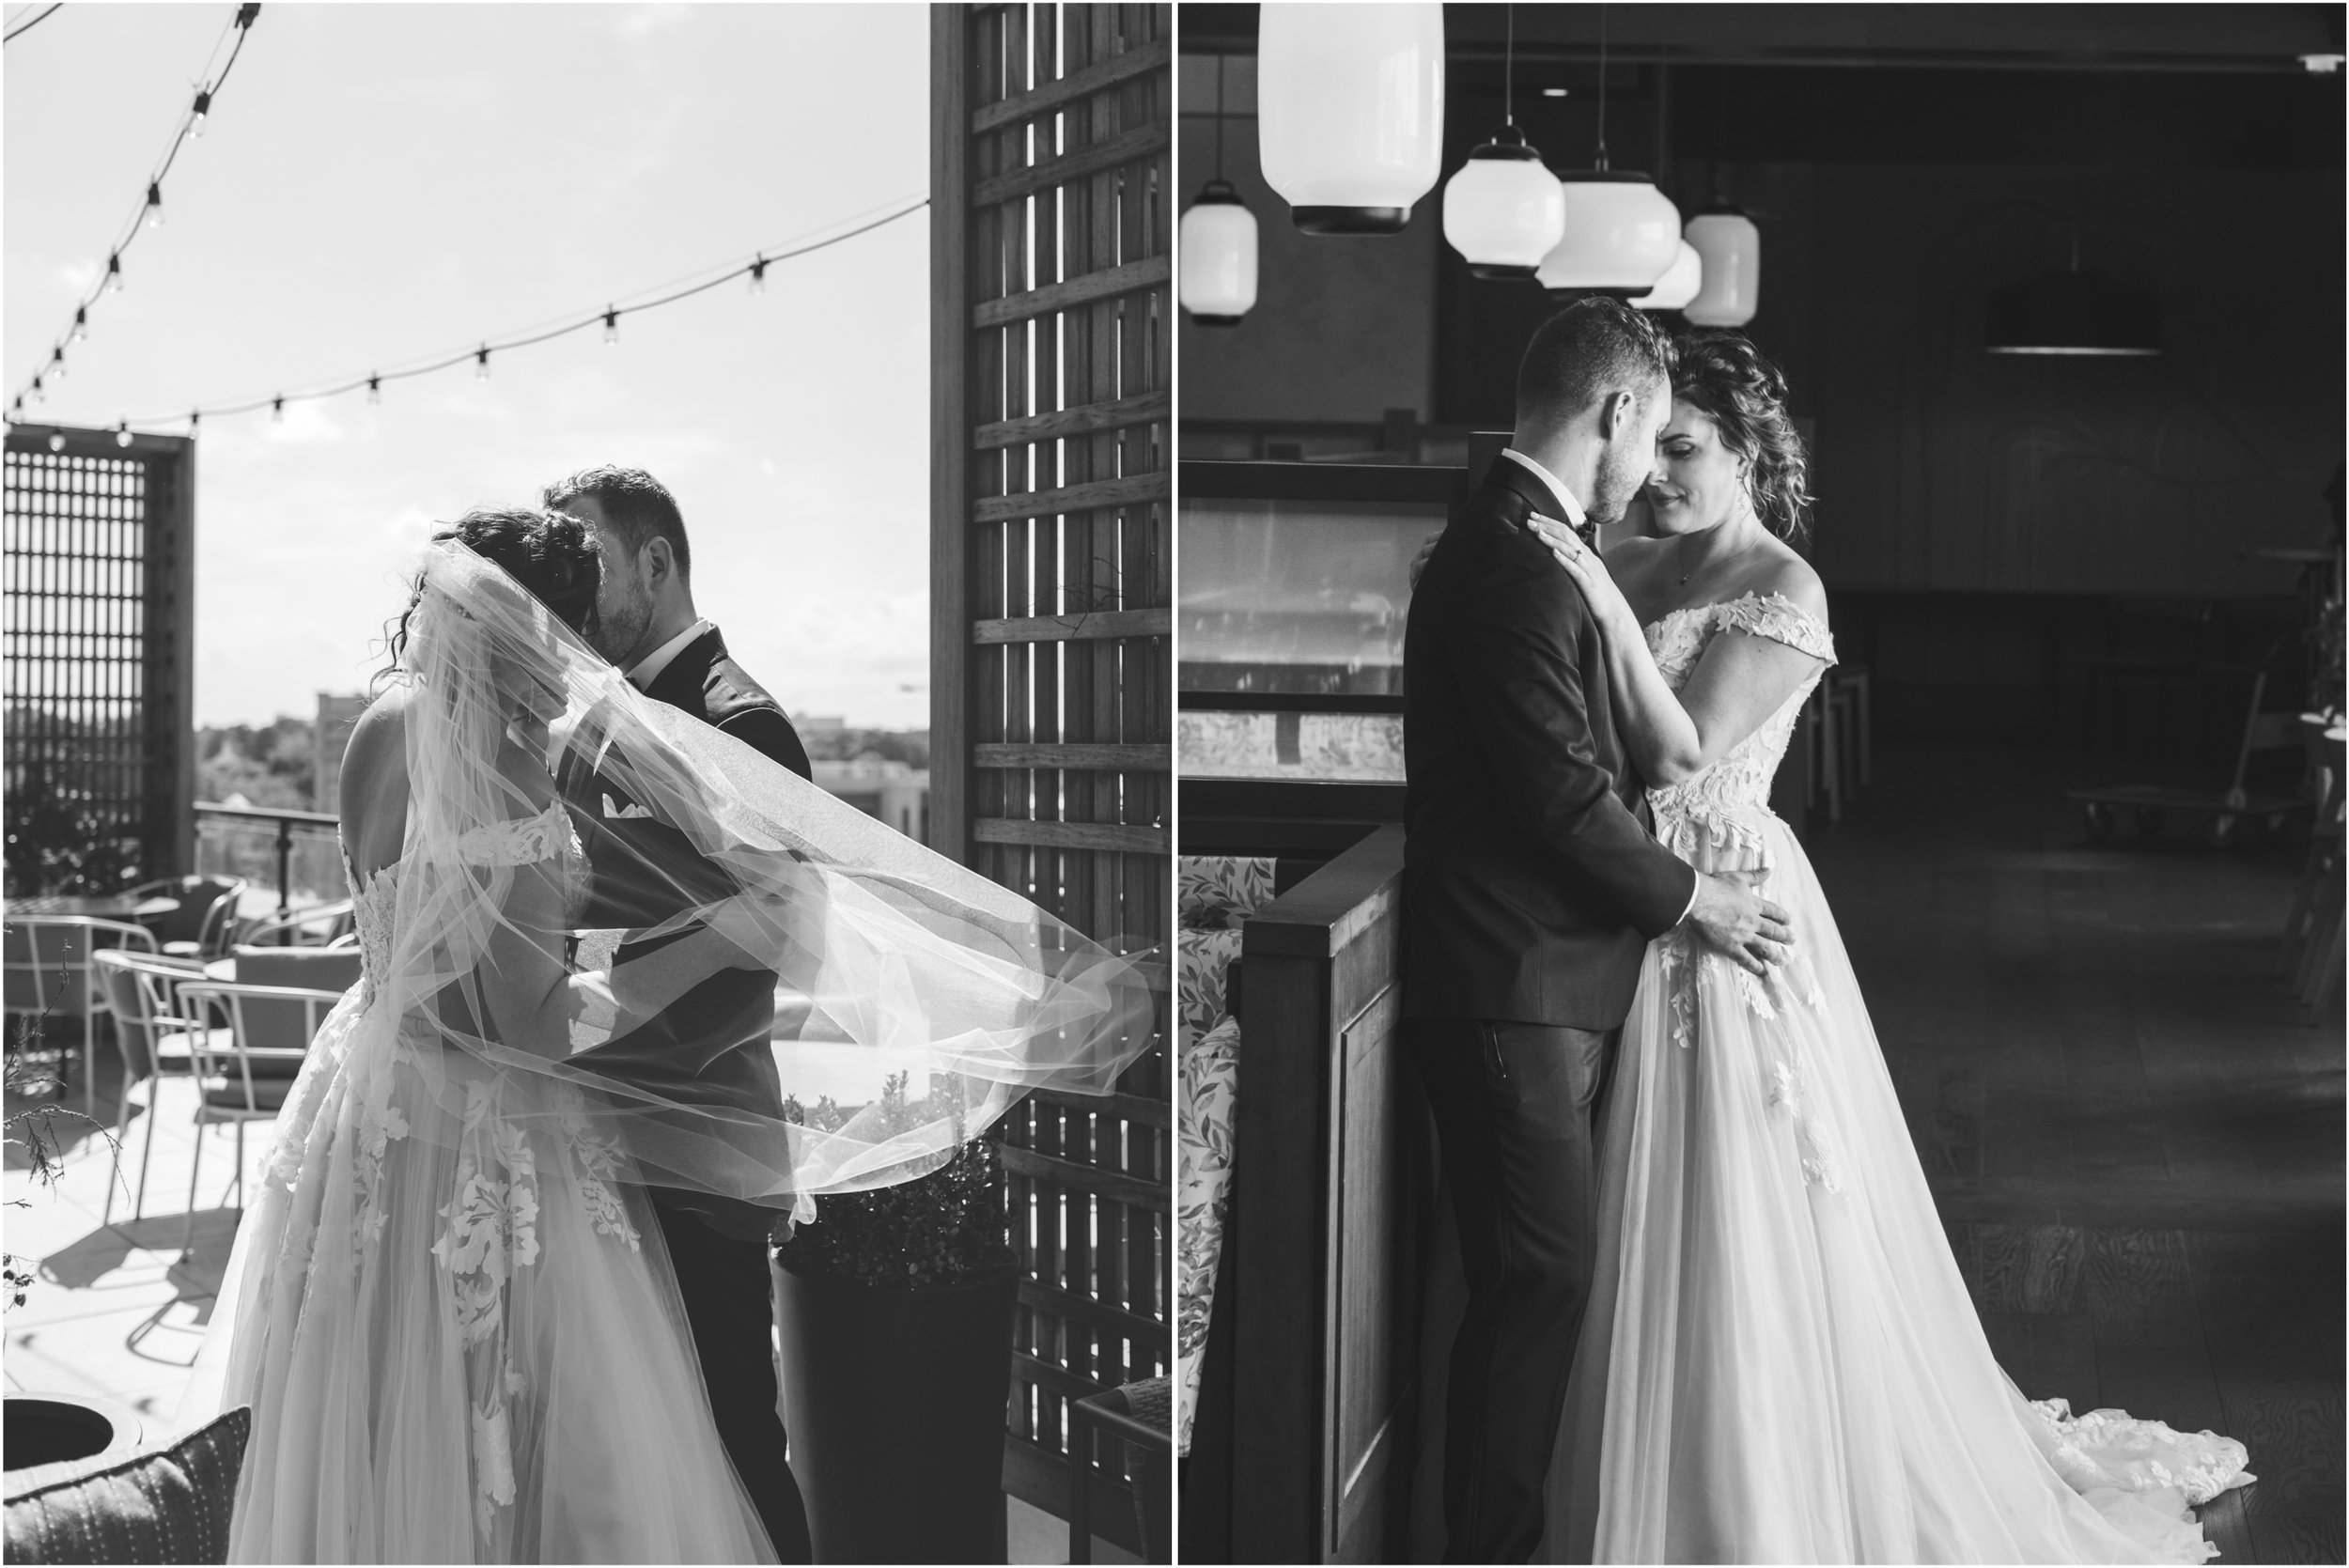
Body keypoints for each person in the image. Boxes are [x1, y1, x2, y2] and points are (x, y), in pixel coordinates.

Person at [200, 509, 1153, 1562]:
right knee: (554, 1461)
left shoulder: (379, 733)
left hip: (368, 1105)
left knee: (374, 1420)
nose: (579, 668)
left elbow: (429, 946)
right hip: (491, 1140)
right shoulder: (510, 774)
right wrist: (716, 939)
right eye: (567, 638)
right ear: (529, 631)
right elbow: (534, 1022)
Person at [1525, 331, 2251, 1562]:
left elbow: (1678, 752)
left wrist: (1587, 590)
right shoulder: (1630, 557)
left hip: (1728, 905)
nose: (1657, 476)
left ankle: (1746, 1487)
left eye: (1686, 450)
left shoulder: (1780, 587)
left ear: (1749, 450)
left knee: (1729, 1197)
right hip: (1623, 894)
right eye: (1652, 448)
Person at [1399, 296, 1796, 1564]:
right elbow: (1562, 796)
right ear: (1618, 410)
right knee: (1541, 1283)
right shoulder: (1518, 555)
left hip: (1564, 970)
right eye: (1651, 436)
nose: (1651, 468)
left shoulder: (1534, 542)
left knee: (1550, 1281)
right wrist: (1696, 902)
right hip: (1516, 977)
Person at [542, 464, 812, 1560]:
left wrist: (616, 995)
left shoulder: (742, 722)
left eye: (586, 558)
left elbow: (788, 928)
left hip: (698, 1143)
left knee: (735, 1437)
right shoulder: (588, 720)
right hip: (595, 1135)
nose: (565, 586)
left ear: (656, 561)